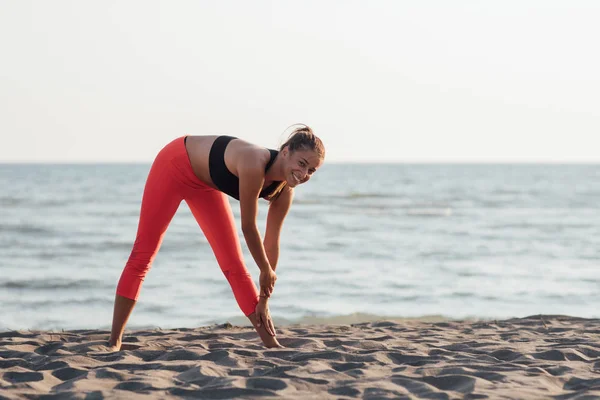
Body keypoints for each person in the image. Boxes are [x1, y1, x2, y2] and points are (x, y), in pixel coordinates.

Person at [107, 124, 325, 350]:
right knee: (143, 255)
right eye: (302, 163)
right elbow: (248, 226)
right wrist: (265, 270)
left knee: (234, 265)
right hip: (173, 164)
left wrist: (264, 298)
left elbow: (271, 243)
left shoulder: (285, 192)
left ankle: (271, 344)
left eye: (311, 170)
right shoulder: (254, 161)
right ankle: (115, 341)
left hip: (204, 185)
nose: (303, 174)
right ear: (286, 151)